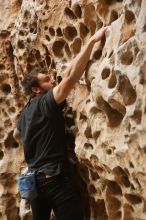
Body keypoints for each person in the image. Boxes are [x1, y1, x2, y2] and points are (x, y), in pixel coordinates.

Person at [13, 26, 108, 220]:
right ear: (37, 89)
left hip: (34, 183)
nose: (53, 82)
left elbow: (16, 134)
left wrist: (34, 136)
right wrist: (91, 42)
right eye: (47, 80)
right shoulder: (46, 101)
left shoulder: (24, 113)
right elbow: (70, 77)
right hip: (55, 178)